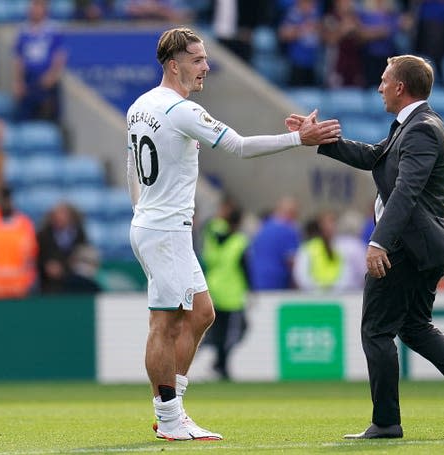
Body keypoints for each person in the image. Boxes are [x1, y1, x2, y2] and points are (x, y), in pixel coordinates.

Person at [126, 27, 339, 441]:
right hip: (164, 228)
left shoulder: (140, 106)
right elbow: (239, 147)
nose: (206, 66)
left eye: (206, 58)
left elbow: (131, 169)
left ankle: (174, 408)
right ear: (174, 64)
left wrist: (142, 213)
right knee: (163, 323)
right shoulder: (179, 110)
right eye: (198, 59)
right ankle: (168, 418)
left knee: (203, 313)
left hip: (158, 225)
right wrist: (299, 138)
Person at [286, 54, 444, 439]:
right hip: (425, 243)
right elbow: (374, 157)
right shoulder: (414, 125)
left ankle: (386, 422)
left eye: (384, 80)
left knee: (377, 330)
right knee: (415, 327)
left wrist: (379, 240)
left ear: (401, 87)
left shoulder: (421, 129)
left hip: (405, 244)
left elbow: (406, 191)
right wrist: (321, 140)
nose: (379, 86)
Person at [202, 204, 249, 380]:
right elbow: (245, 267)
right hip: (232, 294)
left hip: (213, 288)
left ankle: (219, 364)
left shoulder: (212, 233)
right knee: (235, 332)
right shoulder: (239, 241)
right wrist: (251, 289)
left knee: (216, 331)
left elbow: (209, 226)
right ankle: (221, 365)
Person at [13, 0, 67, 122]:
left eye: (39, 6)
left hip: (47, 80)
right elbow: (19, 58)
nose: (35, 10)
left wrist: (52, 75)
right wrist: (18, 81)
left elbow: (60, 55)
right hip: (29, 79)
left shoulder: (54, 29)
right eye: (34, 6)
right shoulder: (23, 30)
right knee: (24, 115)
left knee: (49, 114)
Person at [0, 186, 38, 299]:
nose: (5, 203)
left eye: (8, 199)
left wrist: (28, 280)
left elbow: (31, 254)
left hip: (18, 287)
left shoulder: (24, 223)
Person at [248, 196, 302, 290]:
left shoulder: (262, 228)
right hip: (278, 284)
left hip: (257, 281)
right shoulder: (288, 230)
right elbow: (292, 262)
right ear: (291, 213)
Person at [36, 202, 89, 294]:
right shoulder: (43, 235)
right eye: (56, 215)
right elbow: (37, 256)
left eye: (63, 214)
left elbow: (84, 256)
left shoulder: (79, 235)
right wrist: (46, 266)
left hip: (73, 281)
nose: (59, 218)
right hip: (48, 284)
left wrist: (64, 268)